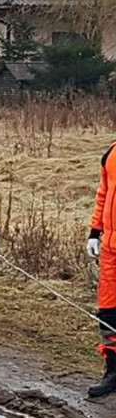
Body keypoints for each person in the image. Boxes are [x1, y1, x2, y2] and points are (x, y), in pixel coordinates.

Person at [87, 141, 116, 399]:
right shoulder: (111, 153)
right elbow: (103, 194)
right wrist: (94, 232)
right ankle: (113, 371)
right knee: (108, 311)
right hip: (111, 249)